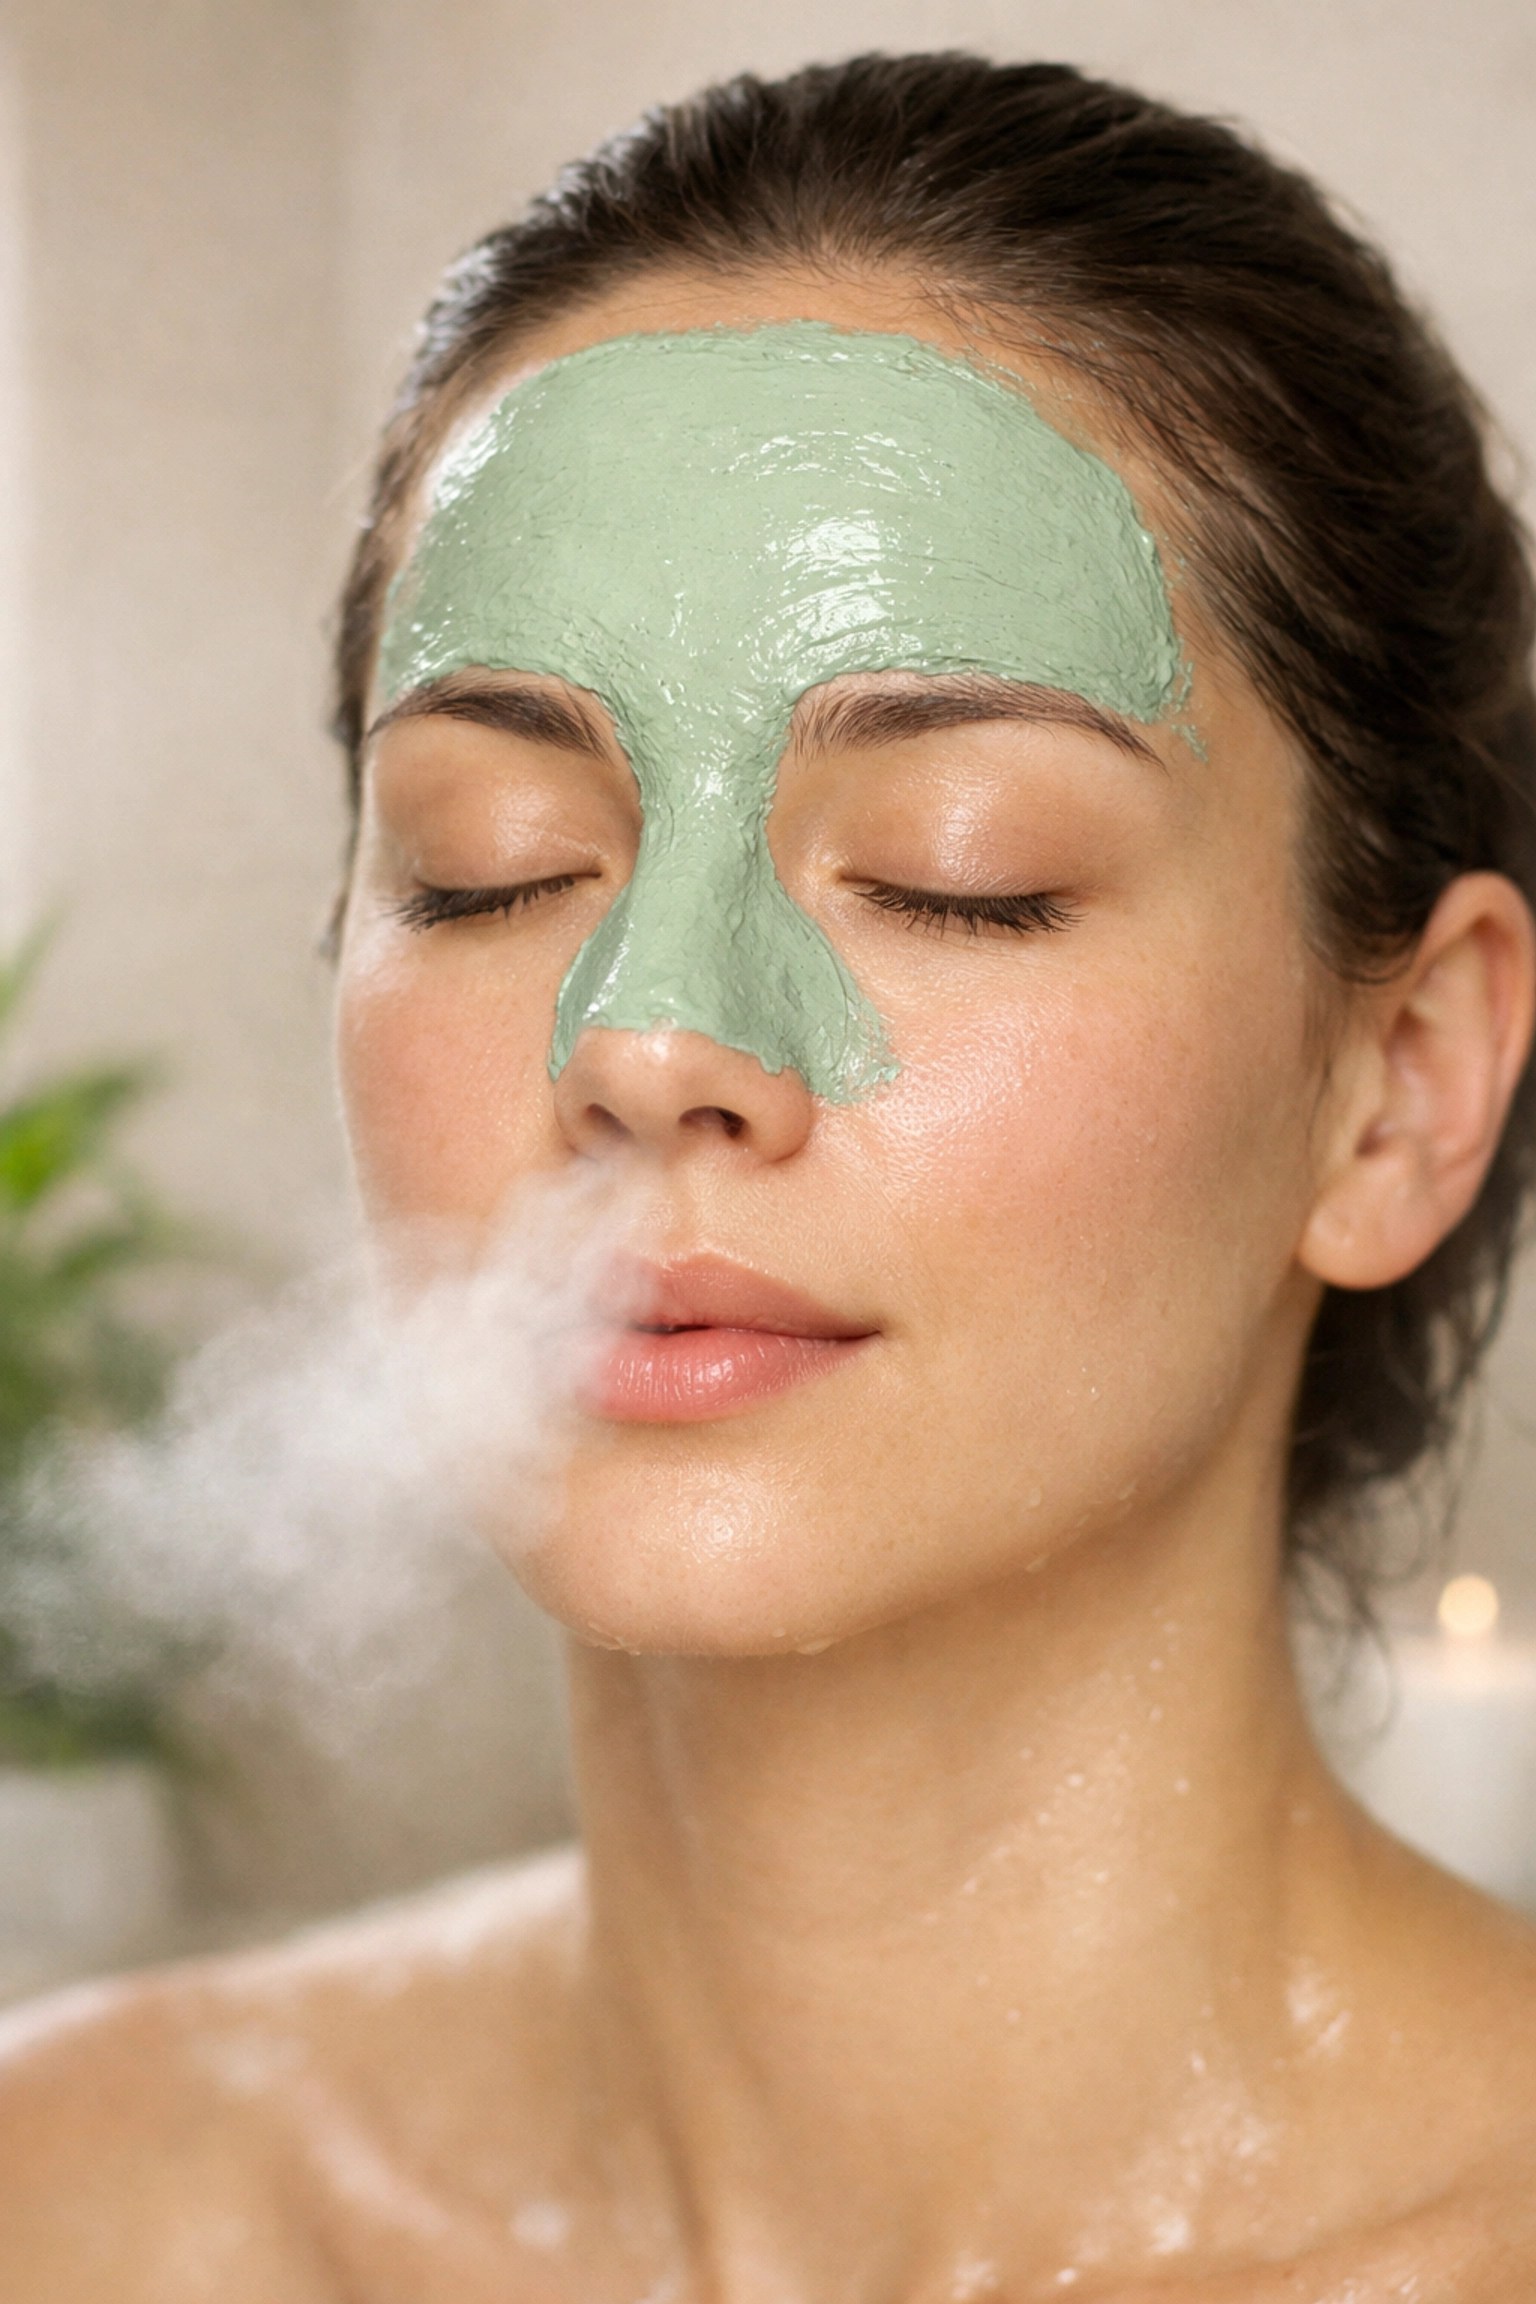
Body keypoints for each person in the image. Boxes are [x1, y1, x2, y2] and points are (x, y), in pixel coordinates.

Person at [4, 51, 1536, 2300]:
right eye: (487, 867)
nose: (646, 1043)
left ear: (1396, 1085)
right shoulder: (83, 2211)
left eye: (958, 874)